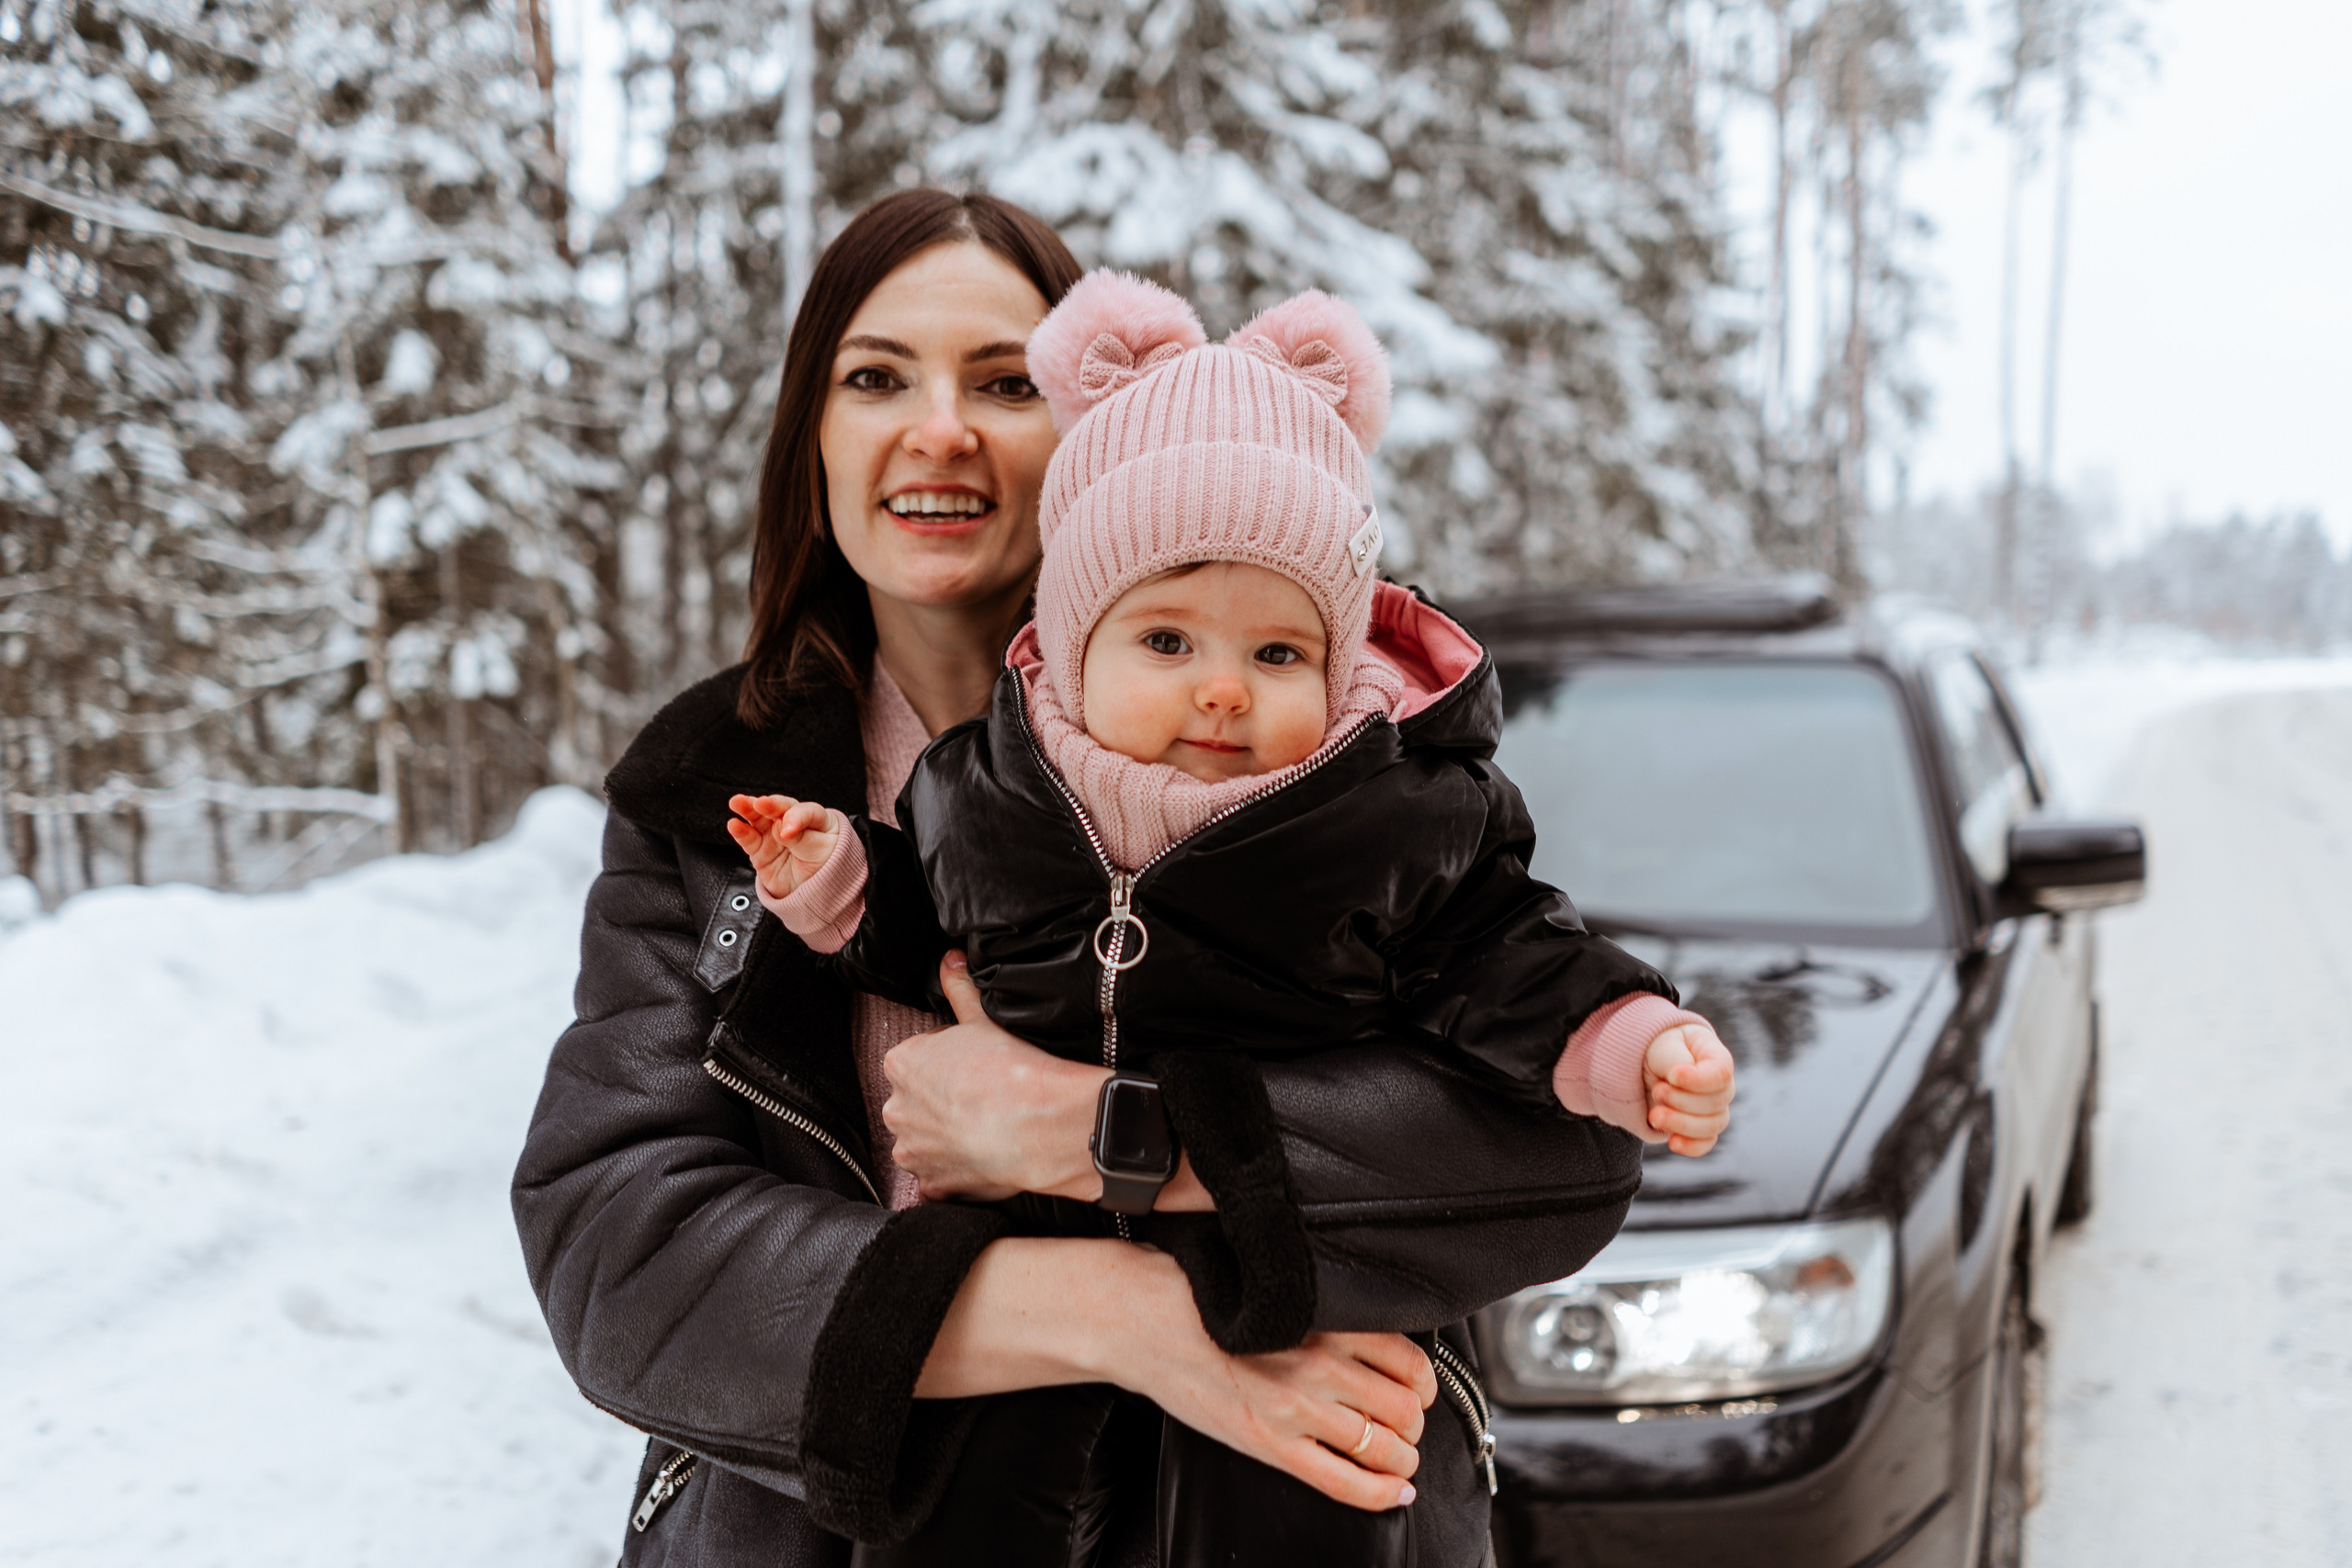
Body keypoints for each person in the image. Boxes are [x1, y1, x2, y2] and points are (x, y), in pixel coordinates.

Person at [513, 189, 1730, 1568]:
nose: (941, 430)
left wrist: (1104, 1134)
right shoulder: (708, 798)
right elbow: (619, 1245)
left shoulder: (1332, 763)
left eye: (1000, 382)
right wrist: (1126, 1318)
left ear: (1088, 425)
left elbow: (1554, 1141)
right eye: (876, 378)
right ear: (813, 435)